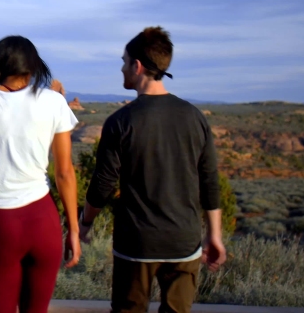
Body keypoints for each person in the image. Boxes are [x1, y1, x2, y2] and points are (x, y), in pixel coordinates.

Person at [78, 26, 226, 313]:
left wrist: (85, 223)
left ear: (137, 66)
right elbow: (209, 181)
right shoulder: (194, 117)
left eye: (124, 62)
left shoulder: (120, 121)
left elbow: (103, 184)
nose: (121, 69)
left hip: (136, 243)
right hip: (184, 242)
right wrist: (214, 234)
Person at [0, 35, 81, 313]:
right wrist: (72, 228)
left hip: (0, 223)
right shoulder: (53, 101)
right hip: (43, 221)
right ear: (33, 66)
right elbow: (64, 173)